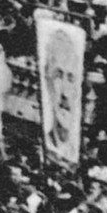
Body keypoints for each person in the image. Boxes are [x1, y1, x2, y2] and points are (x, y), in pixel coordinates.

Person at [40, 24, 82, 164]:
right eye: (58, 75)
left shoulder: (78, 154)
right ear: (47, 79)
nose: (65, 94)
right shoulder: (43, 143)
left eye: (71, 78)